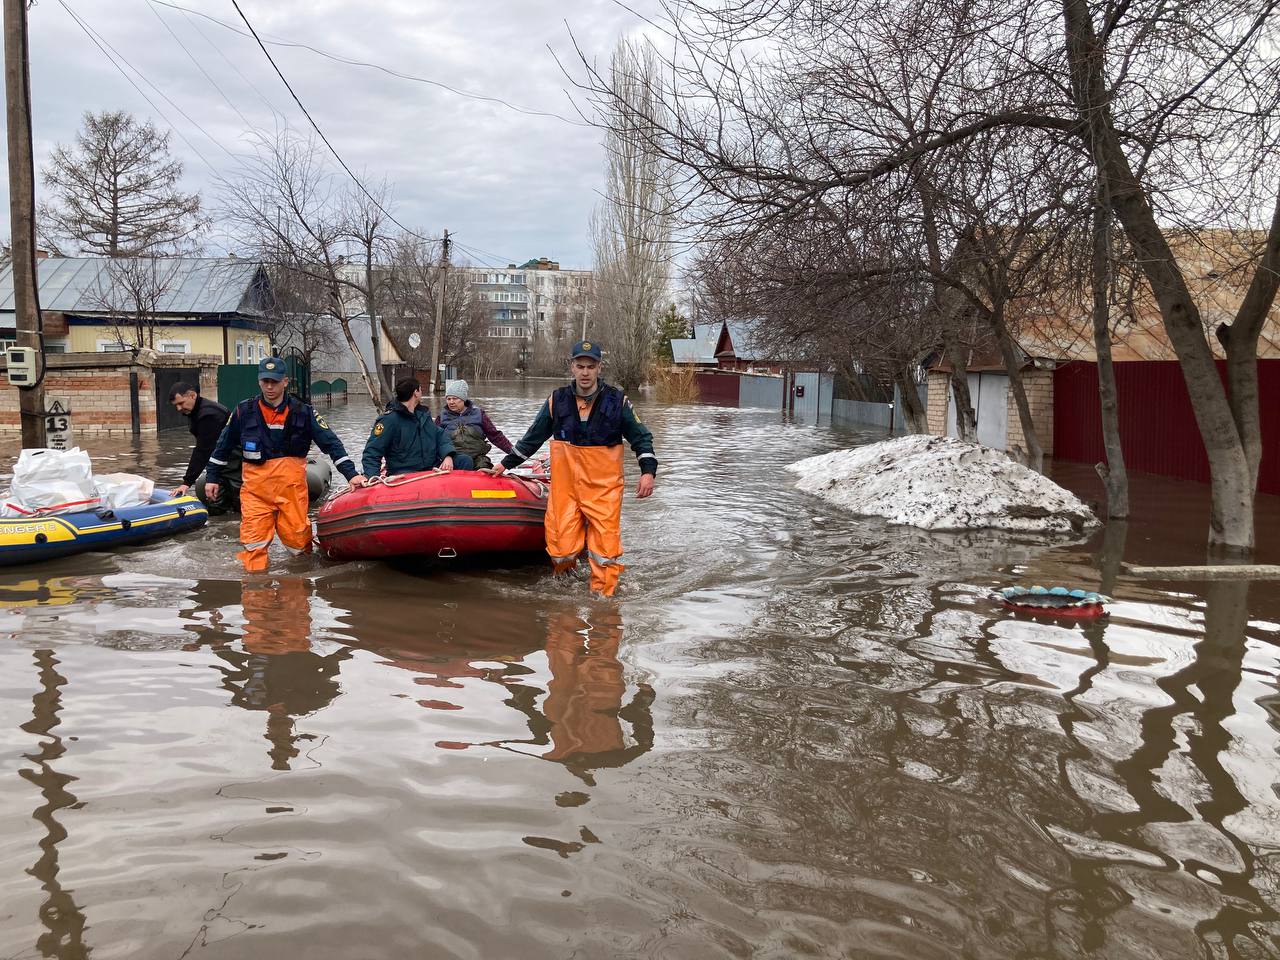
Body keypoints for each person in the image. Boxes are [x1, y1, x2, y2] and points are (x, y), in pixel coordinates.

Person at [488, 340, 656, 596]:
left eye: (590, 366)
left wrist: (647, 471)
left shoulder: (617, 401)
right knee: (560, 546)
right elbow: (532, 438)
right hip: (566, 488)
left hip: (604, 489)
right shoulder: (557, 400)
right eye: (580, 366)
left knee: (605, 550)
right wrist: (503, 465)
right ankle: (565, 587)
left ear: (599, 367)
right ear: (572, 367)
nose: (585, 372)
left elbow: (641, 438)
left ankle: (604, 601)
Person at [206, 356, 366, 572]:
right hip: (256, 493)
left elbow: (331, 443)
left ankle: (296, 597)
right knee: (253, 545)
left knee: (299, 547)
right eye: (265, 381)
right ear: (259, 382)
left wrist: (351, 474)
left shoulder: (304, 412)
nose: (270, 386)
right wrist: (212, 478)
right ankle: (255, 596)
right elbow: (222, 446)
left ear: (285, 381)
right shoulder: (243, 412)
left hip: (291, 493)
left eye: (274, 381)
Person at [362, 376, 467, 477]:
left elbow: (440, 436)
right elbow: (372, 451)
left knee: (464, 461)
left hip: (431, 467)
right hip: (404, 472)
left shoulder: (423, 416)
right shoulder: (388, 420)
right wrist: (372, 477)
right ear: (416, 393)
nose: (421, 392)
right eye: (420, 390)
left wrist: (448, 455)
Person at [167, 381, 233, 503]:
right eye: (176, 405)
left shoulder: (208, 415)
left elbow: (203, 451)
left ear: (192, 395)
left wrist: (186, 483)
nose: (179, 408)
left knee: (214, 501)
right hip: (225, 459)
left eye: (181, 403)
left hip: (234, 461)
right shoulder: (198, 410)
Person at [435, 379, 515, 470]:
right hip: (453, 460)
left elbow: (495, 436)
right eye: (448, 399)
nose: (451, 402)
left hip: (478, 459)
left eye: (455, 398)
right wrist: (446, 456)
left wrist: (515, 454)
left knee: (483, 466)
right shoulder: (441, 418)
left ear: (463, 399)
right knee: (464, 461)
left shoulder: (479, 414)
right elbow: (434, 440)